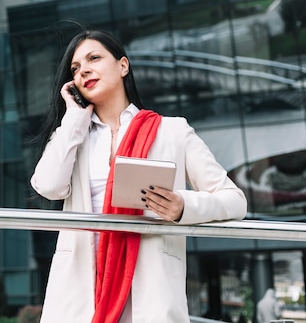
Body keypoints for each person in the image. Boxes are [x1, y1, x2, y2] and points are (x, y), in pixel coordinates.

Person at [30, 28, 247, 323]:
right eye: (76, 68)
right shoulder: (72, 136)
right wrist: (74, 120)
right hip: (81, 291)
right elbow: (49, 187)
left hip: (149, 289)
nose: (84, 71)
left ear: (123, 65)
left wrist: (182, 206)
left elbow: (235, 200)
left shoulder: (172, 131)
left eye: (94, 58)